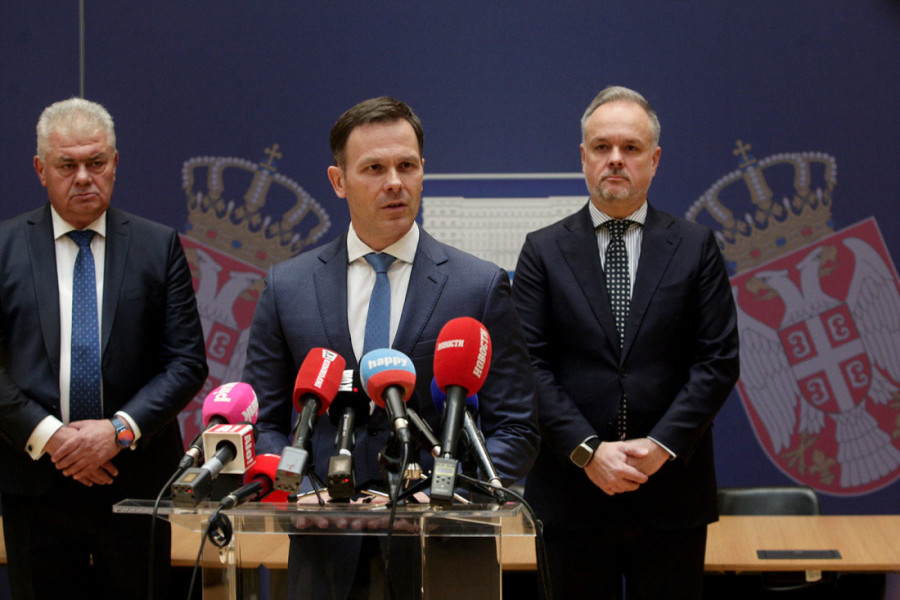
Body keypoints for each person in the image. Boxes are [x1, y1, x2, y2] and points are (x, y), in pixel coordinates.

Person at [243, 96, 540, 599]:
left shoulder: (479, 286)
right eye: (374, 168)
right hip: (325, 549)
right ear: (338, 181)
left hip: (442, 550)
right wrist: (302, 492)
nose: (395, 182)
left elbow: (516, 428)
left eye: (407, 165)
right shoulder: (287, 287)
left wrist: (450, 493)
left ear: (423, 171)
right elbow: (263, 421)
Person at [512, 86, 740, 599]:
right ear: (583, 157)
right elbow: (528, 366)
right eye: (602, 147)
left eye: (631, 148)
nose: (615, 159)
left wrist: (660, 447)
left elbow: (718, 361)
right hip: (571, 495)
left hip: (670, 494)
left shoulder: (696, 247)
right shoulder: (542, 251)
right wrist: (588, 452)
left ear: (654, 160)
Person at [0, 97, 208, 599]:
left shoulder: (157, 246)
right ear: (40, 169)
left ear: (114, 163)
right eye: (66, 165)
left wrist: (118, 430)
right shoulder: (3, 249)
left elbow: (186, 362)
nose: (83, 178)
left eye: (95, 163)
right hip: (36, 481)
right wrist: (52, 437)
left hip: (136, 481)